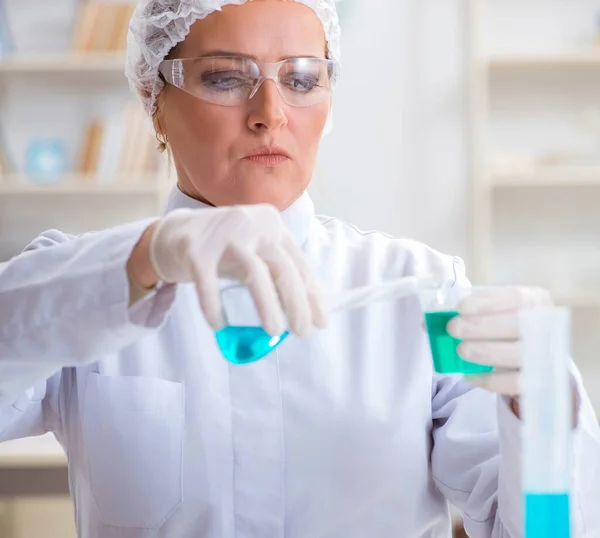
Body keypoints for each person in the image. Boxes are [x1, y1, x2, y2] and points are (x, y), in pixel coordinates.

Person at [0, 0, 598, 536]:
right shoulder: (78, 286)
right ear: (154, 101)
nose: (270, 113)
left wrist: (539, 409)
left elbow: (543, 530)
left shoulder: (419, 289)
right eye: (226, 78)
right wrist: (143, 261)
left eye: (302, 78)